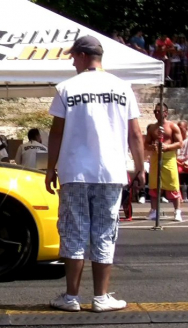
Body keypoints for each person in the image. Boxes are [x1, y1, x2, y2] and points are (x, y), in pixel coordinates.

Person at [45, 36, 145, 313]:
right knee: (104, 232)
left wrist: (51, 167)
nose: (72, 62)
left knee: (74, 231)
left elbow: (56, 132)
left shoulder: (66, 88)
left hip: (74, 171)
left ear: (81, 54)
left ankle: (71, 296)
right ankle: (101, 296)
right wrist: (139, 167)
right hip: (110, 172)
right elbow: (135, 133)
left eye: (73, 57)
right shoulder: (123, 88)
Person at [146, 103, 183, 221]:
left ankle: (177, 211)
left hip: (169, 158)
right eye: (155, 111)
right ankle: (154, 211)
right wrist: (151, 147)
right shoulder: (152, 127)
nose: (157, 113)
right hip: (156, 158)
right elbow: (146, 143)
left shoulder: (172, 126)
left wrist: (167, 146)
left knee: (173, 184)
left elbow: (180, 143)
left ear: (166, 113)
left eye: (159, 111)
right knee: (154, 185)